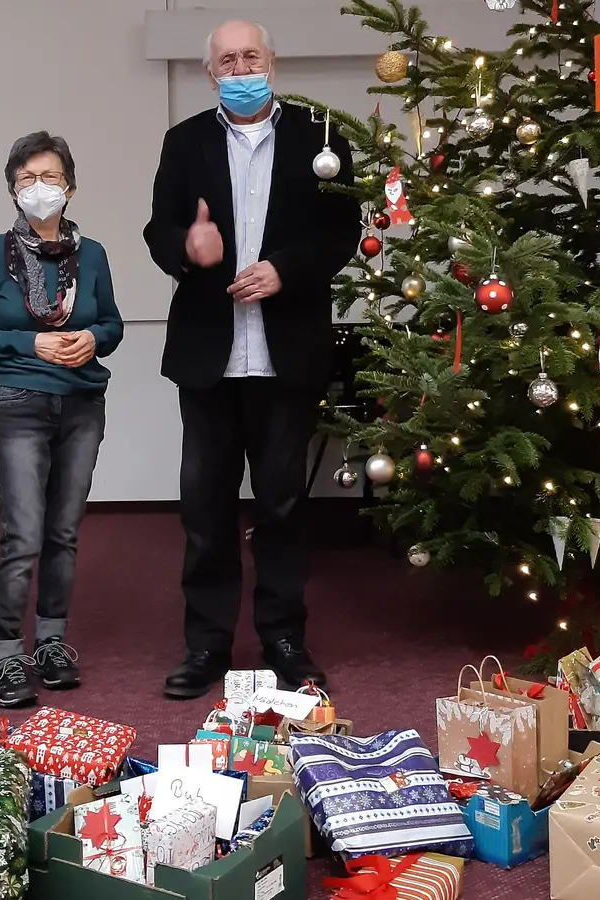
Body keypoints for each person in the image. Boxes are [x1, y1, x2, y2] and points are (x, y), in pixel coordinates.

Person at [143, 21, 360, 699]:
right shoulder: (185, 143)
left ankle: (285, 639)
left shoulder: (321, 138)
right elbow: (160, 230)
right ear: (210, 74)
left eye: (251, 57)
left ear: (273, 62)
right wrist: (189, 246)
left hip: (285, 355)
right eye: (227, 61)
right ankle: (205, 645)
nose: (240, 68)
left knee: (282, 508)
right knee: (205, 511)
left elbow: (341, 232)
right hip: (209, 356)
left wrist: (283, 271)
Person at [0, 132, 123, 709]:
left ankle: (51, 644)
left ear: (70, 188)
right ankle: (5, 655)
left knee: (63, 533)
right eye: (26, 180)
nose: (39, 188)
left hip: (82, 404)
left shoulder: (92, 255)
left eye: (49, 177)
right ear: (13, 191)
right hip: (19, 402)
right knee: (22, 535)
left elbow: (114, 327)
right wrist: (32, 344)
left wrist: (90, 337)